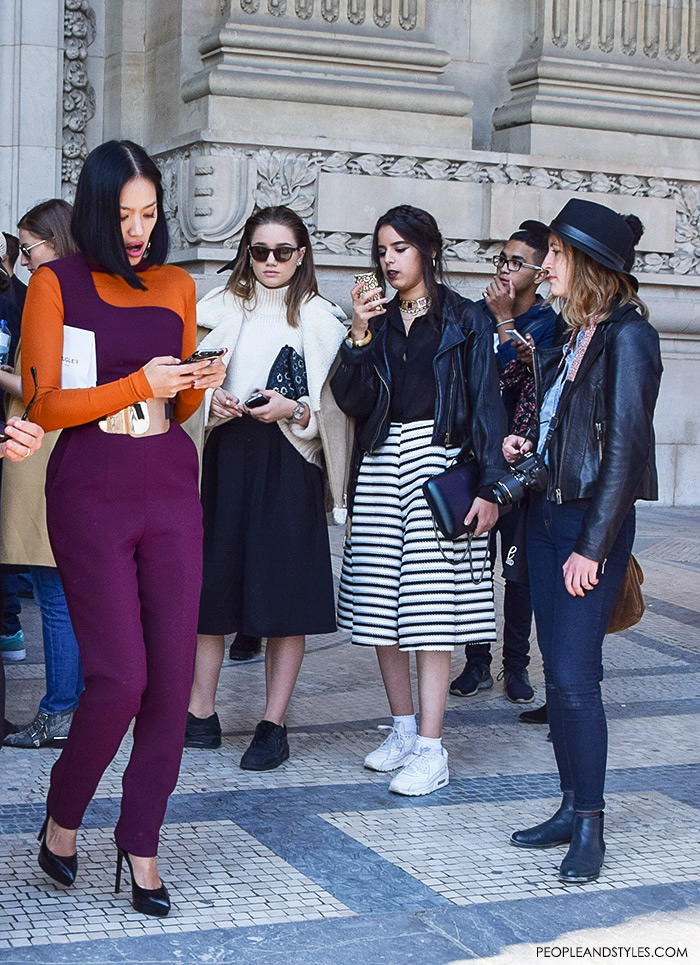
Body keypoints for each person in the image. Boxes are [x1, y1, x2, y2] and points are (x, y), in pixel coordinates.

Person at [20, 139, 226, 916]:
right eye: (124, 214)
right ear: (95, 210)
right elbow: (44, 405)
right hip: (92, 490)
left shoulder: (175, 284)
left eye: (150, 213)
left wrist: (197, 384)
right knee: (121, 677)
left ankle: (141, 842)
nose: (138, 228)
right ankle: (63, 815)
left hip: (170, 483)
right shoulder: (57, 282)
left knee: (172, 683)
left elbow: (174, 408)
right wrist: (139, 380)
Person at [504, 199, 662, 883]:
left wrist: (594, 548)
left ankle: (591, 823)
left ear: (590, 265)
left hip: (585, 526)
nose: (546, 266)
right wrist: (526, 446)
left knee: (575, 678)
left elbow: (624, 454)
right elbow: (571, 433)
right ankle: (569, 804)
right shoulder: (578, 332)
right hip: (547, 513)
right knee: (555, 671)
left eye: (558, 256)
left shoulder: (630, 337)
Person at [331, 204, 506, 797]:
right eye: (382, 249)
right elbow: (352, 399)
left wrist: (489, 487)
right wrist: (357, 333)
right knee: (381, 606)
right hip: (381, 462)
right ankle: (403, 730)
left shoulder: (465, 319)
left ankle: (432, 748)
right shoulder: (374, 321)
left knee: (432, 614)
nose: (389, 259)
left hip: (441, 460)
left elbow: (486, 405)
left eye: (400, 248)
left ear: (427, 250)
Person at [185, 205, 348, 770]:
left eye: (283, 252)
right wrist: (213, 402)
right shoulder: (216, 308)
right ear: (246, 253)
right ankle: (199, 713)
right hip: (226, 455)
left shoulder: (324, 318)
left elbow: (335, 413)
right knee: (210, 588)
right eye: (260, 252)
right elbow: (185, 384)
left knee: (285, 595)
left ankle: (272, 724)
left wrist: (294, 410)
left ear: (301, 254)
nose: (271, 262)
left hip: (290, 462)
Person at [450, 222, 556, 704]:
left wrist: (503, 322)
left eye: (517, 262)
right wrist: (491, 319)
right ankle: (476, 661)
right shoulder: (474, 315)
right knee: (474, 564)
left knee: (518, 570)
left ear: (539, 273)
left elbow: (534, 374)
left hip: (521, 466)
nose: (505, 269)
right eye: (502, 260)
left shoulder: (551, 323)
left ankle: (516, 665)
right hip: (477, 458)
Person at [1, 199, 85, 749]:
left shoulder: (58, 296)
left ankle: (60, 711)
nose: (25, 261)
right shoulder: (77, 291)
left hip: (46, 449)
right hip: (58, 450)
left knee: (56, 591)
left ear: (54, 241)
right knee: (63, 590)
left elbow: (47, 389)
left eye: (29, 248)